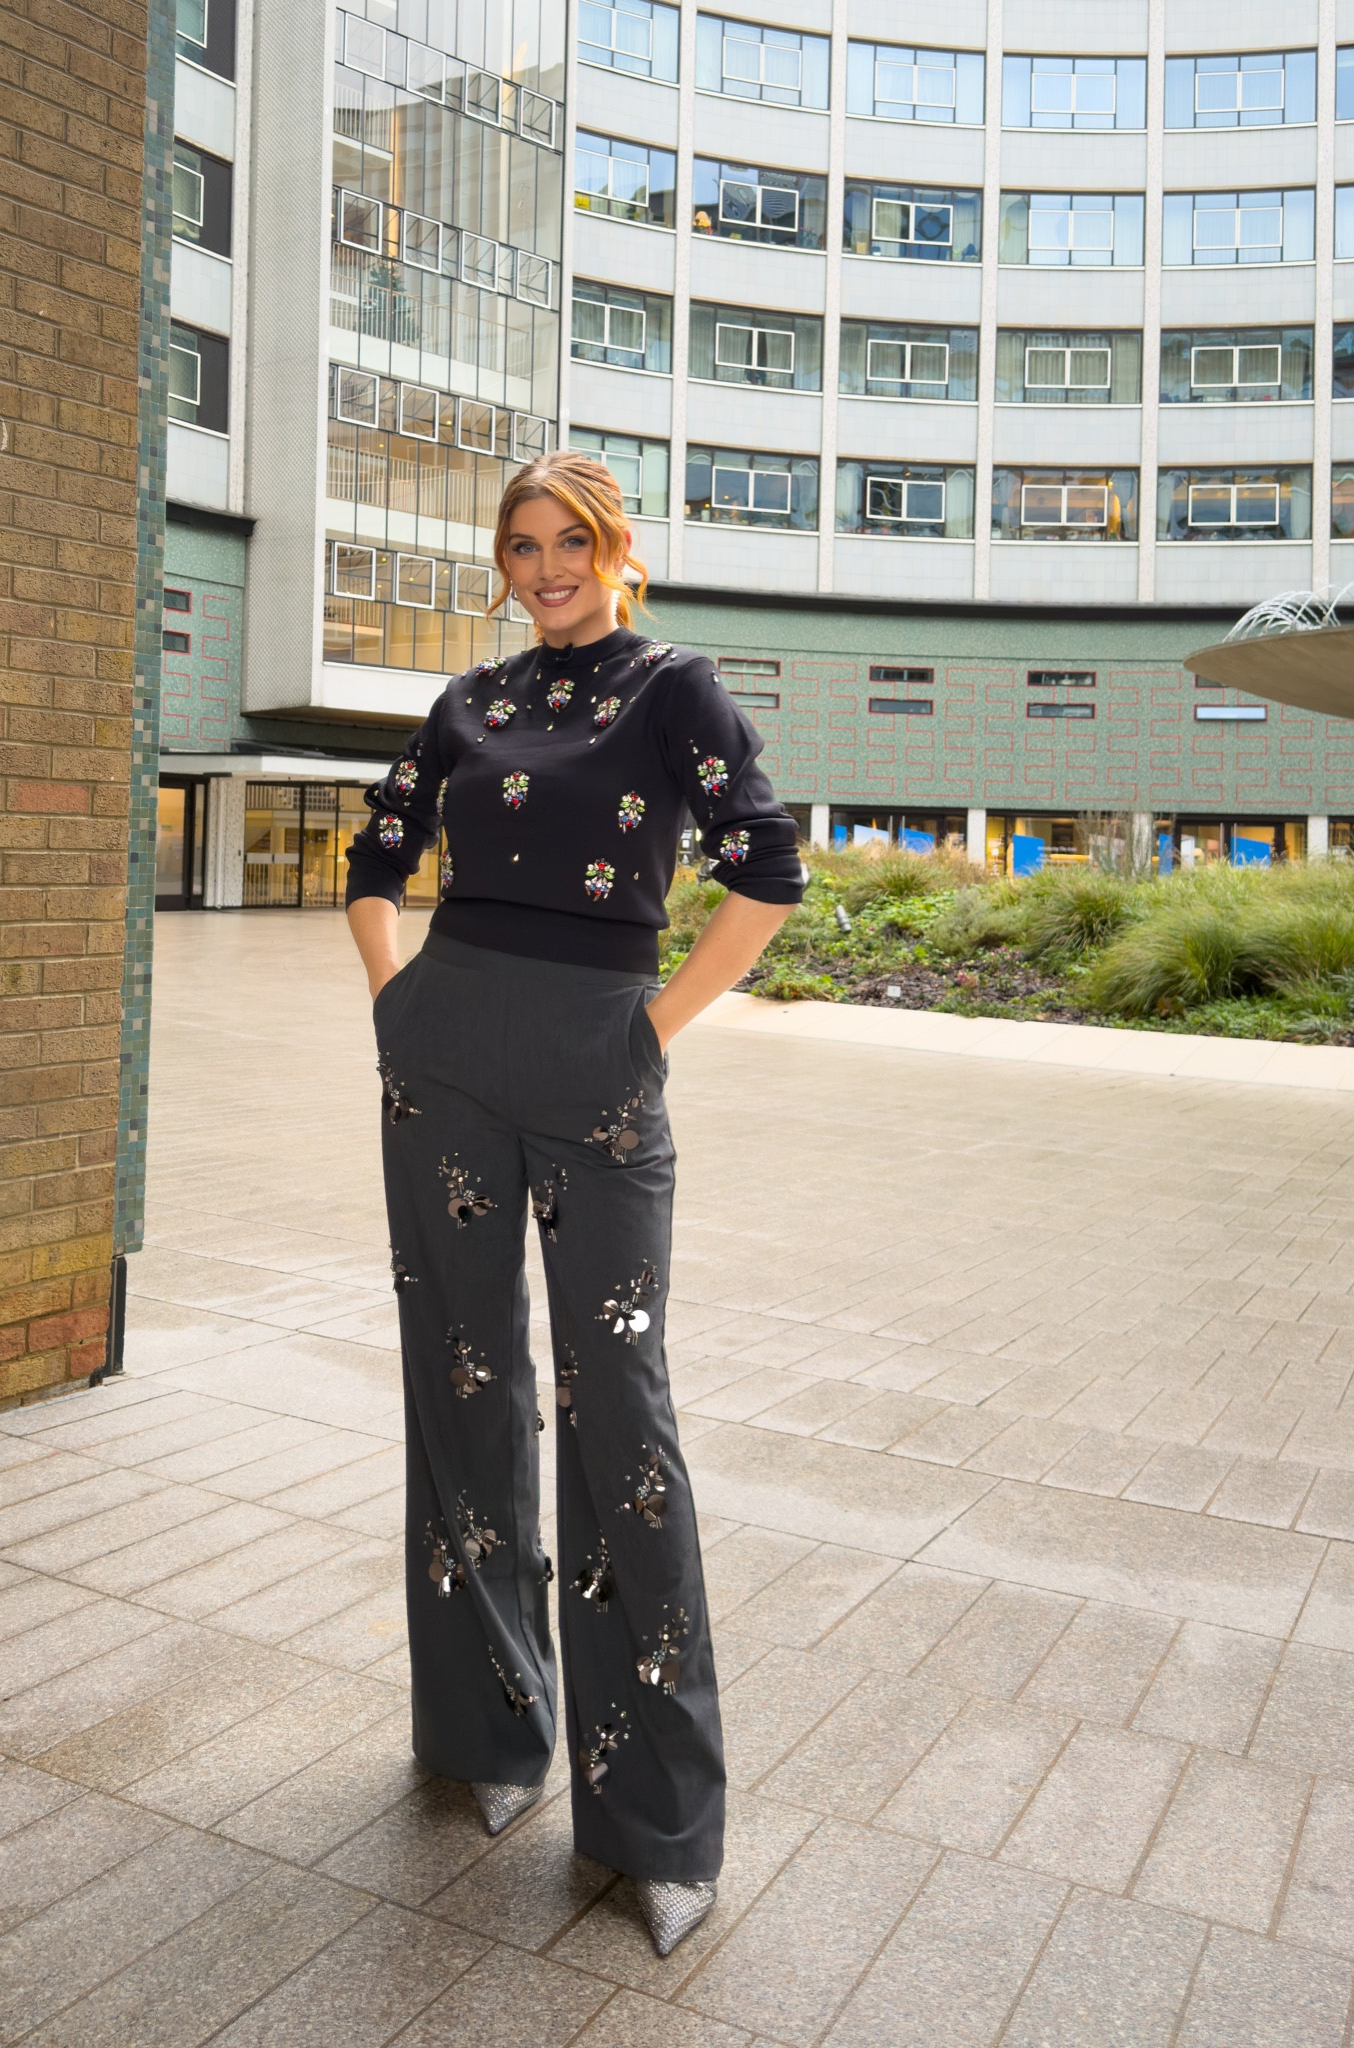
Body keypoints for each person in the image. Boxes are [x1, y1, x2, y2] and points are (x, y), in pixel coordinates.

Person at [344, 449, 804, 1957]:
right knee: (462, 1388)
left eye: (572, 543)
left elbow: (764, 870)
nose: (546, 568)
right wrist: (393, 998)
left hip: (599, 1059)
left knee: (619, 1405)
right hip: (446, 1063)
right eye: (523, 545)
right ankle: (486, 1738)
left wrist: (650, 1032)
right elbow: (380, 851)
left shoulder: (672, 687)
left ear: (617, 550)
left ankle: (657, 1821)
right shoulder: (467, 701)